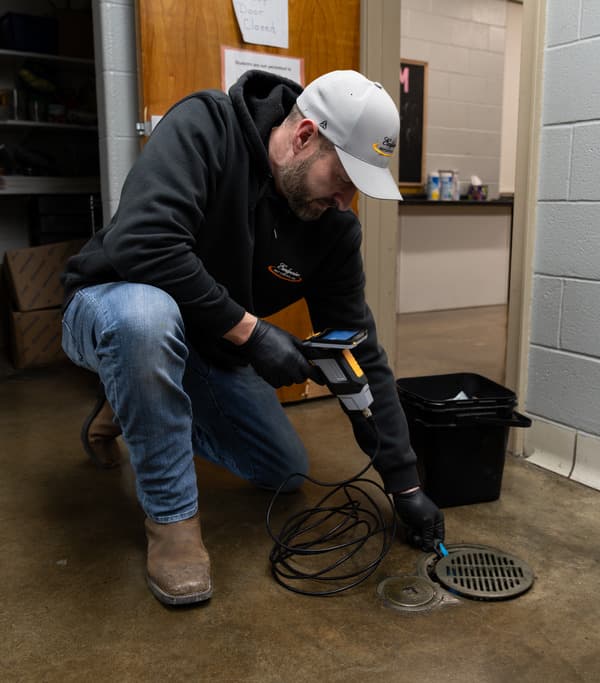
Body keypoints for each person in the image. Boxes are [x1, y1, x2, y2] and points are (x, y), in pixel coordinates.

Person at [61, 69, 445, 606]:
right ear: (305, 136)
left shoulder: (331, 227)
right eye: (343, 181)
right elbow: (143, 243)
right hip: (111, 301)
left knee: (283, 469)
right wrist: (253, 333)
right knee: (145, 319)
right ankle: (173, 525)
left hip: (205, 342)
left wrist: (405, 486)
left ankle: (130, 400)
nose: (345, 202)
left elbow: (358, 348)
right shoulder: (207, 125)